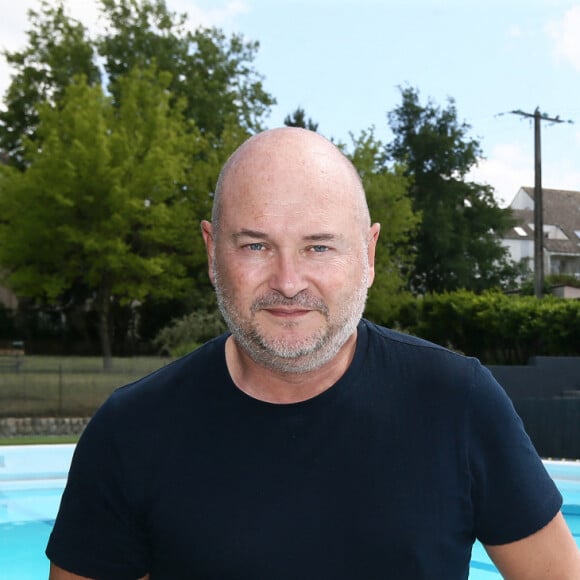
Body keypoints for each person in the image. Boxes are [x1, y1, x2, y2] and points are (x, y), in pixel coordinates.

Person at [47, 127, 580, 579]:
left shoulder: (457, 402)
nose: (288, 281)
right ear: (212, 251)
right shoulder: (131, 430)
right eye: (255, 245)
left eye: (318, 246)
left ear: (367, 254)